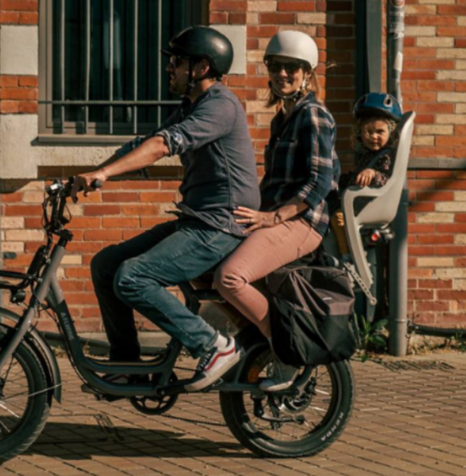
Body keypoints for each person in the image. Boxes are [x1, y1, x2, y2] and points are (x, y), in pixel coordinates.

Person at [71, 26, 261, 392]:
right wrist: (89, 176)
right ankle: (128, 364)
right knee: (105, 264)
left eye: (177, 61)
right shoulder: (194, 106)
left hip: (220, 226)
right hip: (197, 220)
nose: (169, 68)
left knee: (133, 276)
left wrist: (105, 173)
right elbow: (145, 144)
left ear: (202, 68)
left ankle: (212, 346)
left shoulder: (221, 105)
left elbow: (164, 145)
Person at [213, 30, 340, 392]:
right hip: (278, 216)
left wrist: (271, 218)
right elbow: (272, 182)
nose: (283, 74)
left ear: (307, 73)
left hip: (302, 221)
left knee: (230, 278)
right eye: (276, 66)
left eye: (292, 68)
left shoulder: (314, 115)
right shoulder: (283, 118)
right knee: (203, 268)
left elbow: (318, 184)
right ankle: (255, 341)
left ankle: (289, 352)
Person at [331, 92, 402, 261]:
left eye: (380, 131)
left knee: (337, 217)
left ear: (391, 132)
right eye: (368, 131)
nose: (374, 136)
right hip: (358, 202)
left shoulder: (387, 157)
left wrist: (373, 173)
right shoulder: (365, 154)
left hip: (369, 205)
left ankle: (346, 253)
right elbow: (357, 177)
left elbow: (388, 179)